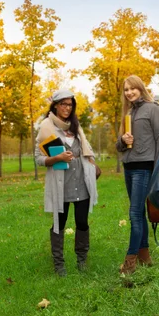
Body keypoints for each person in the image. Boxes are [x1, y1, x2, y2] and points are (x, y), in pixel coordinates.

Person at [35, 90, 99, 277]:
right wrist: (57, 158)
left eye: (70, 105)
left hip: (81, 179)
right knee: (59, 223)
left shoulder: (75, 126)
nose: (66, 108)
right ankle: (59, 264)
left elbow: (87, 149)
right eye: (63, 104)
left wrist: (92, 163)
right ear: (55, 105)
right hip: (61, 182)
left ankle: (81, 260)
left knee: (82, 222)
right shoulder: (47, 127)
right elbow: (38, 158)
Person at [115, 75, 159, 275]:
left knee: (135, 213)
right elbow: (119, 147)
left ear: (140, 88)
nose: (129, 92)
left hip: (145, 168)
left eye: (132, 88)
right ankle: (145, 255)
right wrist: (122, 138)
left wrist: (158, 171)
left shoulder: (153, 109)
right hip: (129, 166)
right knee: (139, 213)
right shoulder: (127, 112)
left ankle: (130, 261)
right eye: (126, 89)